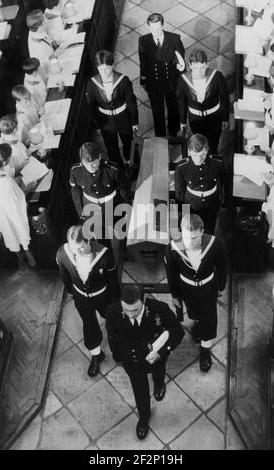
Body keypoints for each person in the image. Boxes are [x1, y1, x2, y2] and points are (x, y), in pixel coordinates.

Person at [106, 284, 184, 440]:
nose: (130, 314)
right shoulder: (112, 311)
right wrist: (118, 357)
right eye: (126, 309)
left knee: (158, 372)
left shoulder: (159, 309)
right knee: (139, 389)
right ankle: (144, 417)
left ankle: (159, 384)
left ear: (143, 301)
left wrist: (162, 353)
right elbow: (113, 336)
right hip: (132, 359)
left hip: (155, 355)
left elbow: (178, 331)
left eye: (135, 310)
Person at [164, 214, 227, 372]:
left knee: (209, 318)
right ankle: (198, 325)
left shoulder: (214, 243)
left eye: (195, 238)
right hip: (187, 288)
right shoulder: (172, 248)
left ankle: (205, 350)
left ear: (202, 231)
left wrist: (221, 287)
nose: (190, 242)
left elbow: (222, 266)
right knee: (194, 313)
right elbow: (171, 274)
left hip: (208, 288)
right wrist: (175, 296)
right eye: (186, 237)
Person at [56, 225, 120, 377]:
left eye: (82, 247)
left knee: (113, 321)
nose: (77, 252)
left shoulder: (105, 254)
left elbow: (113, 280)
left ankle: (118, 350)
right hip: (81, 297)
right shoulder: (63, 253)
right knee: (89, 324)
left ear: (89, 240)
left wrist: (116, 300)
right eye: (74, 248)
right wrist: (75, 293)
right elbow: (64, 277)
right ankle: (97, 354)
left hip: (103, 295)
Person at [0, 144, 37, 267]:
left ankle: (20, 258)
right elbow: (19, 200)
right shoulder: (7, 183)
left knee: (10, 235)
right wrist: (29, 188)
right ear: (5, 161)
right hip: (13, 212)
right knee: (21, 234)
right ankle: (31, 257)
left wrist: (16, 179)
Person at [69, 142, 130, 244]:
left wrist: (126, 207)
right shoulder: (75, 171)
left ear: (100, 157)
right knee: (100, 238)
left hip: (113, 205)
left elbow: (124, 189)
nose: (92, 167)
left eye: (95, 163)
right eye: (88, 164)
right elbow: (76, 192)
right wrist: (81, 212)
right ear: (82, 162)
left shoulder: (112, 169)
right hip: (91, 208)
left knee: (120, 234)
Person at [86, 50, 138, 168]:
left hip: (123, 117)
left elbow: (131, 102)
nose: (104, 73)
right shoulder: (92, 83)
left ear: (113, 65)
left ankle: (132, 165)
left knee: (128, 142)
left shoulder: (123, 80)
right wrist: (97, 123)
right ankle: (117, 169)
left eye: (107, 69)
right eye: (100, 69)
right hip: (106, 121)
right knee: (111, 147)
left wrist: (135, 121)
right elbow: (91, 105)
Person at [138, 13, 185, 137]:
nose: (156, 32)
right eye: (153, 29)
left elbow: (179, 57)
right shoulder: (143, 40)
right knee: (157, 111)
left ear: (163, 25)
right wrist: (143, 80)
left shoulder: (174, 39)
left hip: (171, 80)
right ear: (148, 27)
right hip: (154, 81)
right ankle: (160, 136)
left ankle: (174, 131)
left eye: (159, 28)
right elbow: (143, 62)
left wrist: (180, 66)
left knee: (173, 108)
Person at [177, 49, 230, 155]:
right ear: (190, 66)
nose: (199, 71)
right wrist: (182, 121)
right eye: (195, 68)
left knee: (213, 145)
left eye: (202, 67)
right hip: (195, 120)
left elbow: (225, 98)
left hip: (214, 118)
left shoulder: (217, 76)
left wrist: (225, 118)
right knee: (199, 144)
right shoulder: (183, 80)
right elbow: (181, 101)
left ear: (207, 65)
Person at [174, 134, 229, 235]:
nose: (199, 159)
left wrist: (225, 202)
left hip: (211, 203)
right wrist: (182, 211)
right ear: (189, 151)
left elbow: (226, 182)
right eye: (195, 155)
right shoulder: (182, 167)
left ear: (207, 150)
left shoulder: (218, 162)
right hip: (190, 204)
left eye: (202, 155)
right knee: (190, 232)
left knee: (209, 230)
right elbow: (179, 191)